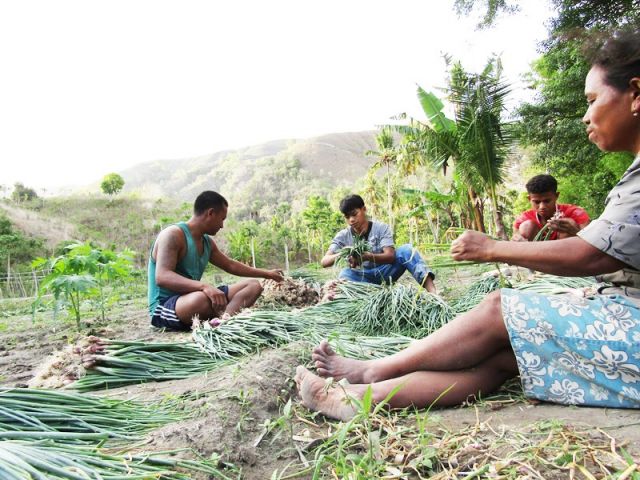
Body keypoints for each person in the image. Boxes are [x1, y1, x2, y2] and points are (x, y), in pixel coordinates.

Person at [296, 28, 640, 420]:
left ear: (635, 93)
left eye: (593, 100)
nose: (586, 115)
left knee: (498, 308)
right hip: (619, 308)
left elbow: (593, 253)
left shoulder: (379, 229)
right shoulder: (344, 235)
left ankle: (374, 370)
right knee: (501, 357)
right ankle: (359, 397)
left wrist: (491, 247)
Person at [148, 191, 284, 330]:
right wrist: (205, 287)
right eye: (222, 219)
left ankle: (224, 320)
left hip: (194, 297)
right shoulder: (173, 235)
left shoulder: (207, 242)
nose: (222, 225)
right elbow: (162, 277)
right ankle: (223, 312)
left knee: (253, 286)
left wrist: (267, 274)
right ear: (211, 213)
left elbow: (230, 265)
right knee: (200, 300)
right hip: (166, 306)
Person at [321, 194, 436, 293]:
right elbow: (324, 261)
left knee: (407, 250)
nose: (351, 220)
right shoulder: (343, 236)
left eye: (354, 214)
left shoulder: (381, 228)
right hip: (362, 278)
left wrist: (366, 257)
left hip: (385, 272)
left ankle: (433, 293)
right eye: (347, 217)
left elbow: (390, 256)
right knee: (344, 274)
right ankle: (371, 297)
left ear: (364, 209)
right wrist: (346, 252)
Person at [512, 174, 590, 241]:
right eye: (537, 202)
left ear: (556, 196)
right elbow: (515, 240)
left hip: (566, 255)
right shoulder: (523, 218)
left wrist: (574, 231)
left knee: (567, 223)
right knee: (527, 226)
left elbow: (592, 242)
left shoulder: (575, 213)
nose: (542, 207)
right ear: (529, 199)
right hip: (535, 255)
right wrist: (519, 241)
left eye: (547, 201)